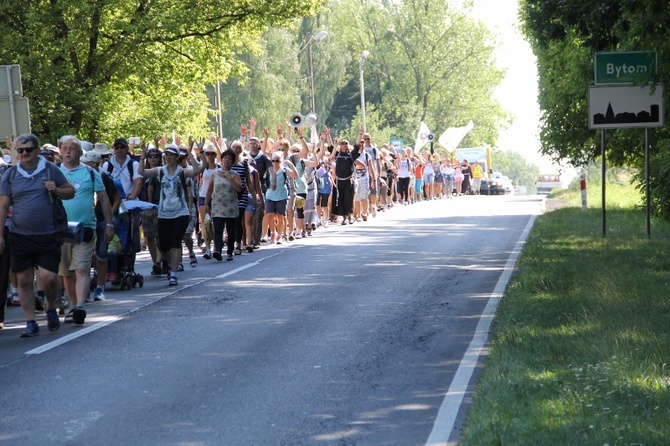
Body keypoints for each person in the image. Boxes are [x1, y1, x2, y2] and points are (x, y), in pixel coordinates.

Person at [0, 133, 75, 337]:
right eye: (20, 150)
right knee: (23, 281)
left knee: (49, 278)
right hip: (19, 235)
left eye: (28, 150)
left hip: (48, 234)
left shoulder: (50, 170)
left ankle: (50, 307)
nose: (24, 154)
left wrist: (56, 190)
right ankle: (30, 321)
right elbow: (3, 204)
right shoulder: (11, 174)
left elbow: (70, 191)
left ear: (37, 150)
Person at [58, 137, 115, 325]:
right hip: (60, 228)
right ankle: (73, 307)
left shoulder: (90, 173)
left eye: (72, 149)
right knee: (66, 272)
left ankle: (80, 305)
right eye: (64, 148)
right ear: (60, 151)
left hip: (85, 228)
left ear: (80, 153)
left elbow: (104, 199)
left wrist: (109, 224)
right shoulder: (54, 172)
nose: (67, 152)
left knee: (81, 268)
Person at [137, 140, 205, 286]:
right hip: (164, 213)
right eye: (166, 155)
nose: (168, 157)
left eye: (171, 155)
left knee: (175, 242)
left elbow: (199, 169)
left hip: (180, 212)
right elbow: (141, 172)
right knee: (163, 244)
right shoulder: (160, 171)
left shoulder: (182, 171)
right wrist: (143, 155)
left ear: (176, 157)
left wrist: (196, 153)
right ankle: (171, 263)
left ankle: (173, 273)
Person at [80, 149, 121, 302]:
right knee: (84, 254)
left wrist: (110, 216)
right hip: (87, 219)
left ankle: (100, 287)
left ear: (95, 163)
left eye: (87, 162)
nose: (83, 164)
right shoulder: (81, 174)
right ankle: (83, 289)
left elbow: (116, 198)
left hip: (102, 220)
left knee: (101, 254)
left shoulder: (104, 177)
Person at [204, 149, 242, 261]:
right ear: (221, 160)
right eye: (225, 158)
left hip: (231, 207)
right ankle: (218, 251)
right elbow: (210, 190)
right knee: (218, 229)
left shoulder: (235, 175)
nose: (227, 161)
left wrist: (230, 178)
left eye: (230, 159)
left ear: (233, 162)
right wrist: (206, 203)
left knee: (230, 230)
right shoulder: (215, 174)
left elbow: (239, 189)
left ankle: (230, 251)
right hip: (217, 206)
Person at [264, 151, 298, 243]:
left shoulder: (284, 170)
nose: (275, 163)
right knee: (269, 215)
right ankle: (273, 233)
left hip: (281, 196)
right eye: (273, 161)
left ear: (281, 161)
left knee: (280, 217)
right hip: (270, 196)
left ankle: (280, 235)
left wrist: (291, 165)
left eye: (277, 161)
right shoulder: (269, 170)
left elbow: (295, 175)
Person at [330, 140, 360, 224]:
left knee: (348, 199)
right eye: (342, 144)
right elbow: (331, 148)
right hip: (339, 181)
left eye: (346, 144)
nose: (344, 145)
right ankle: (344, 218)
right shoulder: (337, 155)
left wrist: (360, 134)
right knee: (341, 199)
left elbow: (357, 145)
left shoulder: (351, 155)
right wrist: (328, 136)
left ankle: (350, 216)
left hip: (348, 180)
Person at [198, 144, 219, 259]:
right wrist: (201, 151)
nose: (210, 156)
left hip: (215, 197)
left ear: (215, 155)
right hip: (203, 196)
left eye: (212, 154)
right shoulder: (204, 167)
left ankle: (216, 247)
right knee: (205, 223)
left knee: (215, 223)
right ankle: (207, 248)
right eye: (208, 154)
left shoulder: (219, 168)